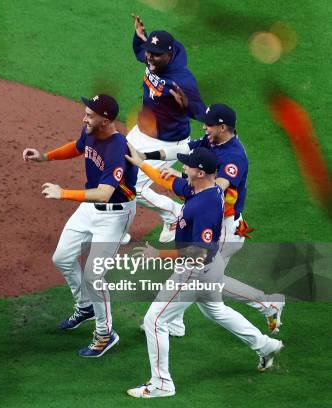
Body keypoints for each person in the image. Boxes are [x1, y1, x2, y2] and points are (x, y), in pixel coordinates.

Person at [125, 147, 283, 398]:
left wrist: (159, 255)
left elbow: (198, 251)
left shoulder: (206, 205)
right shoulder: (201, 188)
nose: (182, 167)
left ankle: (161, 384)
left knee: (155, 321)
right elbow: (174, 183)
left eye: (188, 165)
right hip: (210, 268)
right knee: (216, 310)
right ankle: (266, 345)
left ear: (200, 172)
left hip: (194, 271)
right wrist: (142, 164)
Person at [133, 104, 285, 336]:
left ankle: (266, 311)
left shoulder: (234, 156)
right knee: (202, 278)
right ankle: (267, 306)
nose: (203, 126)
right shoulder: (211, 140)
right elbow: (183, 149)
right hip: (209, 221)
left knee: (203, 281)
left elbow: (216, 192)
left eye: (209, 124)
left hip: (223, 229)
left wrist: (184, 177)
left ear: (222, 127)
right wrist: (146, 156)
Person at [23, 94, 138, 357]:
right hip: (89, 208)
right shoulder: (90, 130)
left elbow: (105, 193)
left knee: (93, 275)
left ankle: (105, 333)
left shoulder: (117, 147)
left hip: (115, 215)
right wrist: (45, 157)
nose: (84, 118)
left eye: (89, 114)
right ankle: (85, 305)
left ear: (105, 120)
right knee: (62, 258)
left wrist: (63, 193)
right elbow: (77, 147)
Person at [128, 14, 207, 243]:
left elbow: (203, 113)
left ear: (170, 54)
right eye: (148, 52)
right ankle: (116, 227)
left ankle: (173, 213)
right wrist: (139, 37)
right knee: (116, 175)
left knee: (133, 187)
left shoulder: (183, 80)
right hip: (141, 132)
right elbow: (140, 53)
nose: (149, 58)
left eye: (155, 54)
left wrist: (186, 105)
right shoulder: (153, 58)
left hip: (167, 142)